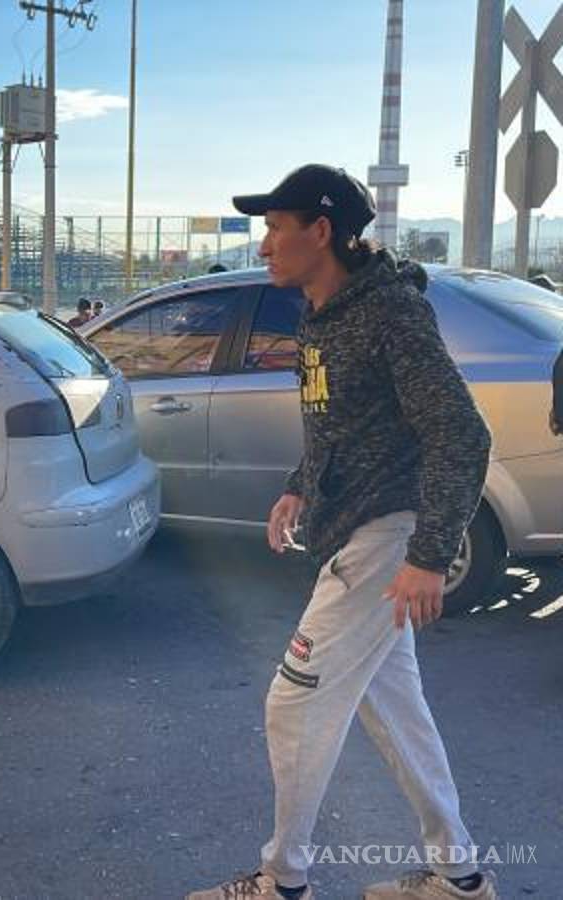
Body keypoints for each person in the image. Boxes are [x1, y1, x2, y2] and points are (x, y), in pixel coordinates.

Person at [187, 165, 496, 900]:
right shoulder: (324, 312)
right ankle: (457, 875)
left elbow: (462, 433)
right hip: (353, 530)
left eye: (274, 227)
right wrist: (299, 486)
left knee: (293, 701)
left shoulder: (390, 313)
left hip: (381, 538)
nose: (264, 245)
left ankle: (282, 881)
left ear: (320, 231)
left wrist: (428, 556)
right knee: (396, 710)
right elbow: (341, 423)